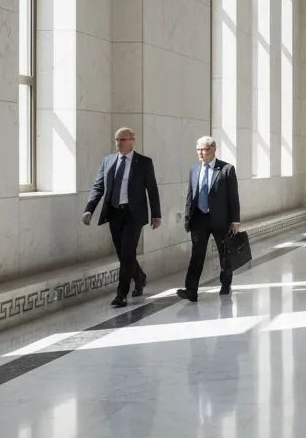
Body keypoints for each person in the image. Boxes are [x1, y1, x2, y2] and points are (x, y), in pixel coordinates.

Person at [82, 127, 162, 307]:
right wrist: (89, 209)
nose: (119, 143)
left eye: (123, 140)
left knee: (127, 252)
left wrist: (156, 214)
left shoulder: (144, 162)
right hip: (114, 213)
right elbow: (98, 187)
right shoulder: (108, 161)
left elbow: (152, 189)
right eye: (117, 140)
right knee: (123, 253)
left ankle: (121, 294)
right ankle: (139, 277)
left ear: (132, 140)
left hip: (134, 214)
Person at [178, 136, 241, 300]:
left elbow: (233, 197)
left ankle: (226, 283)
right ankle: (191, 290)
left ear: (213, 149)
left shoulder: (227, 169)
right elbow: (190, 196)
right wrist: (187, 218)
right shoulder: (194, 169)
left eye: (204, 149)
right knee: (196, 255)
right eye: (198, 149)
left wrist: (235, 220)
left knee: (224, 254)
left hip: (221, 220)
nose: (200, 153)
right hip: (199, 218)